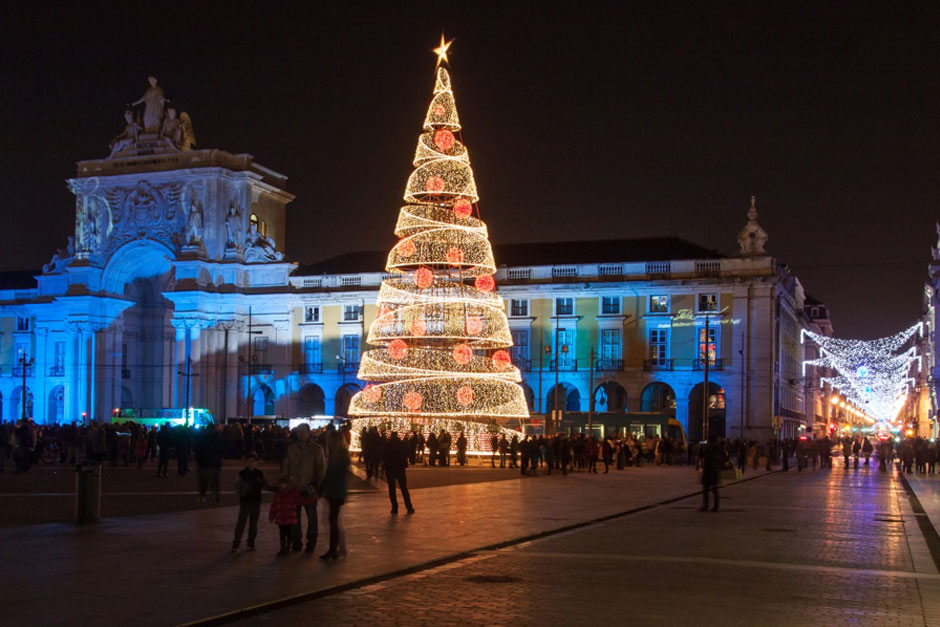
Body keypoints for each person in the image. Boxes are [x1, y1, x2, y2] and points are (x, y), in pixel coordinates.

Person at [279, 424, 326, 553]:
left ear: (308, 432)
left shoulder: (316, 449)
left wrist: (317, 486)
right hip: (294, 488)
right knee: (294, 518)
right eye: (298, 432)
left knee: (311, 517)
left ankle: (311, 542)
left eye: (302, 432)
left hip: (309, 488)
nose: (300, 435)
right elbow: (287, 465)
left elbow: (321, 469)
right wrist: (283, 480)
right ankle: (296, 542)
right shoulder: (292, 448)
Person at [319, 430, 349, 560]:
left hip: (336, 491)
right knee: (333, 520)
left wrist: (323, 488)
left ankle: (334, 549)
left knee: (332, 520)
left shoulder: (340, 456)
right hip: (334, 491)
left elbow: (334, 475)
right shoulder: (337, 454)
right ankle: (339, 548)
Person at [232, 453, 266, 552]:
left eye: (252, 461)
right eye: (248, 461)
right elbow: (236, 486)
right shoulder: (242, 474)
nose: (250, 463)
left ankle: (250, 543)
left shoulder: (260, 474)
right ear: (246, 463)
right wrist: (240, 493)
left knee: (253, 524)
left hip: (255, 501)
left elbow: (266, 484)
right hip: (246, 502)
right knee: (241, 523)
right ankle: (236, 543)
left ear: (256, 462)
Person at [382, 431, 414, 514]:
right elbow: (407, 454)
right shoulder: (402, 444)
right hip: (400, 468)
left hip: (390, 468)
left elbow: (383, 455)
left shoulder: (387, 445)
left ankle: (394, 508)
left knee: (392, 489)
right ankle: (409, 507)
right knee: (404, 488)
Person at [269, 480, 301, 556]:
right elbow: (274, 506)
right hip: (281, 518)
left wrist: (311, 499)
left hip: (289, 518)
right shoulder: (277, 495)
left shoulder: (292, 493)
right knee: (282, 534)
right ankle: (283, 548)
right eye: (280, 483)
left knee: (289, 534)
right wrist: (271, 515)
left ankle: (288, 548)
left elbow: (300, 501)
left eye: (283, 483)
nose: (281, 485)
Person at [195, 424, 223, 504]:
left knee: (203, 481)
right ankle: (216, 496)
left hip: (203, 462)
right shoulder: (218, 436)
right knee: (215, 481)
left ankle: (203, 496)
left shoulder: (202, 436)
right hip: (215, 462)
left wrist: (198, 458)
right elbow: (221, 448)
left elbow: (197, 448)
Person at [700, 435, 728, 512]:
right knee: (715, 489)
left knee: (706, 489)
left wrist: (702, 448)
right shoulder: (719, 449)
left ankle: (706, 506)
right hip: (716, 470)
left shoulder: (709, 448)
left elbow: (702, 455)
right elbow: (725, 458)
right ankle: (716, 506)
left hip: (708, 470)